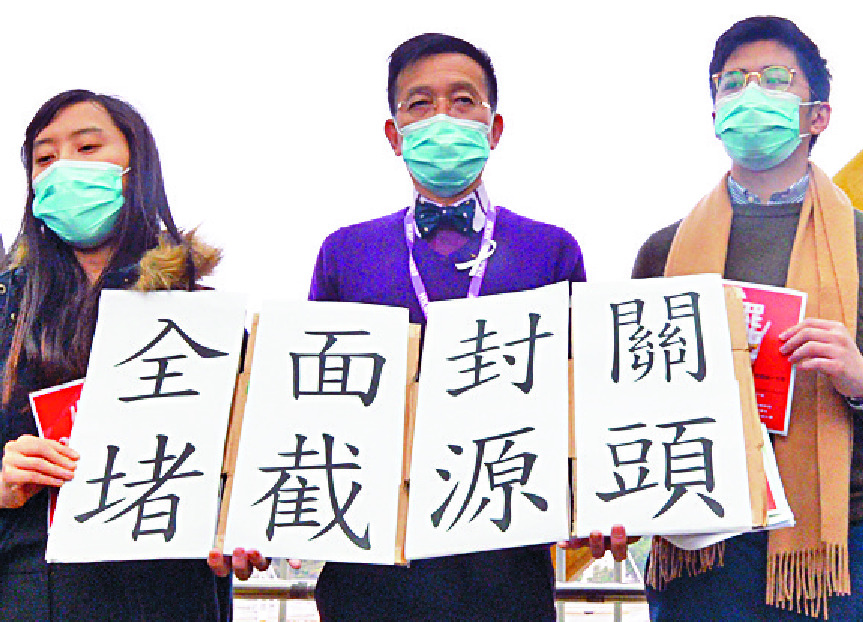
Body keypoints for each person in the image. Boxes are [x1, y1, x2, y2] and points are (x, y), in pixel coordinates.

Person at [209, 33, 629, 620]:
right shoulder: (346, 251)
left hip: (505, 570)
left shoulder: (550, 250)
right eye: (420, 104)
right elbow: (304, 406)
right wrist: (254, 517)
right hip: (368, 574)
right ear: (394, 133)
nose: (443, 118)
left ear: (494, 126)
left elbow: (586, 397)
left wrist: (607, 501)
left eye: (463, 101)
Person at [632, 16, 863, 620]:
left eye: (775, 79)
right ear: (714, 116)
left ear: (819, 114)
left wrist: (859, 379)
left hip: (837, 547)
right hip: (701, 546)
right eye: (732, 83)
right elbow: (632, 400)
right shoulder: (665, 251)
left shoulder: (861, 244)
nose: (750, 94)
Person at [0, 90, 230, 621]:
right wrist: (5, 483)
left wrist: (233, 523)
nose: (63, 169)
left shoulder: (199, 315)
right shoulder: (8, 306)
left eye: (87, 147)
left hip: (165, 596)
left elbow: (236, 463)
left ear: (136, 167)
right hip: (31, 591)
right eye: (45, 158)